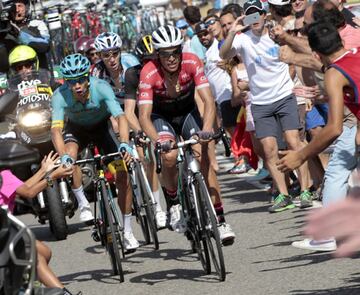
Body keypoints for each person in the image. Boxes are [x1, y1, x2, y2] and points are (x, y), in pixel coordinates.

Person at [138, 25, 235, 244]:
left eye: (175, 52)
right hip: (160, 116)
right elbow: (144, 116)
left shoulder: (192, 61)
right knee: (169, 156)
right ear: (157, 54)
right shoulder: (149, 72)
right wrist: (158, 142)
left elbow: (209, 101)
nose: (171, 58)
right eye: (165, 54)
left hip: (187, 111)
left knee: (203, 157)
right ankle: (173, 201)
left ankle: (219, 220)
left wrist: (208, 129)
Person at [220, 0, 312, 213]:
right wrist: (232, 32)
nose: (254, 20)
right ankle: (284, 194)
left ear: (264, 15)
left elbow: (293, 58)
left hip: (284, 96)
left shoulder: (276, 33)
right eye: (249, 16)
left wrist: (299, 88)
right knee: (269, 150)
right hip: (260, 103)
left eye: (257, 15)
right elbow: (224, 55)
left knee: (293, 142)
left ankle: (307, 188)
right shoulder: (242, 40)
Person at [281, 21, 360, 255]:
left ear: (317, 53)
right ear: (341, 41)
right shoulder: (356, 53)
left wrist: (301, 155)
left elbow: (334, 127)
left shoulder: (335, 74)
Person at [51, 54, 139, 251]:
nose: (78, 86)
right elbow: (56, 129)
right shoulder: (59, 96)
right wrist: (63, 155)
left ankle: (127, 230)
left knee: (122, 175)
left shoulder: (101, 87)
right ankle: (83, 204)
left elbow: (121, 116)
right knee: (70, 157)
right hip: (76, 131)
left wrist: (124, 143)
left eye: (81, 79)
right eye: (72, 82)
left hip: (102, 129)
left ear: (87, 76)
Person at [0, 150, 80, 295]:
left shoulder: (4, 176)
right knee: (35, 258)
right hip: (4, 234)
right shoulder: (3, 174)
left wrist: (44, 170)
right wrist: (53, 176)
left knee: (45, 252)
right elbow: (29, 192)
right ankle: (62, 293)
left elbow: (23, 188)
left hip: (7, 231)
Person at [125, 35, 167, 229]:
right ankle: (153, 205)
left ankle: (164, 202)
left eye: (153, 60)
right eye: (145, 61)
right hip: (139, 116)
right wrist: (140, 131)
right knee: (146, 158)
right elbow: (129, 111)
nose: (150, 64)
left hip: (159, 114)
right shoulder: (133, 75)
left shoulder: (165, 69)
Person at [6, 0, 50, 70]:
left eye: (20, 6)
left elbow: (45, 46)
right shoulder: (4, 29)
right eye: (13, 7)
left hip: (40, 74)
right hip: (15, 77)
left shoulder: (37, 24)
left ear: (27, 7)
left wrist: (19, 34)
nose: (17, 10)